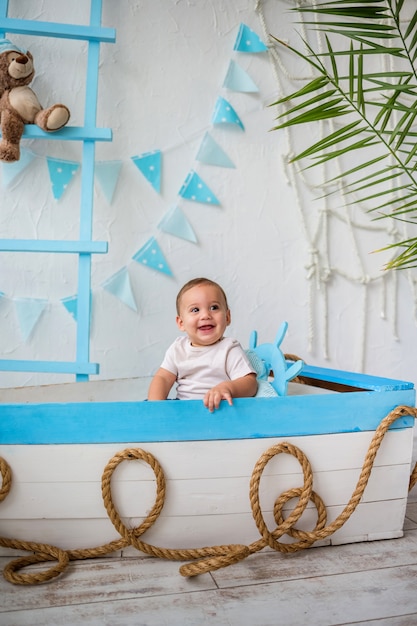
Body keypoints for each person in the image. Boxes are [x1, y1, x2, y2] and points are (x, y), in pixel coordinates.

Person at [147, 277, 258, 411]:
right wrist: (155, 407)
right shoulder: (178, 348)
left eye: (214, 307)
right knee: (142, 409)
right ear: (181, 323)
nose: (205, 315)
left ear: (227, 317)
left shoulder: (229, 348)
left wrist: (228, 388)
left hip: (218, 409)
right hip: (184, 408)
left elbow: (250, 383)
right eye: (195, 310)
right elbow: (163, 378)